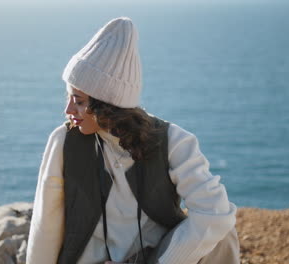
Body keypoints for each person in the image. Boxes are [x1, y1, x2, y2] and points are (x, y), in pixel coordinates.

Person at [26, 17, 239, 264]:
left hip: (154, 257)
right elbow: (46, 225)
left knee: (222, 239)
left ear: (106, 104)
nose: (68, 110)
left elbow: (216, 214)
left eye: (79, 101)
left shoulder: (173, 141)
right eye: (69, 97)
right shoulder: (64, 141)